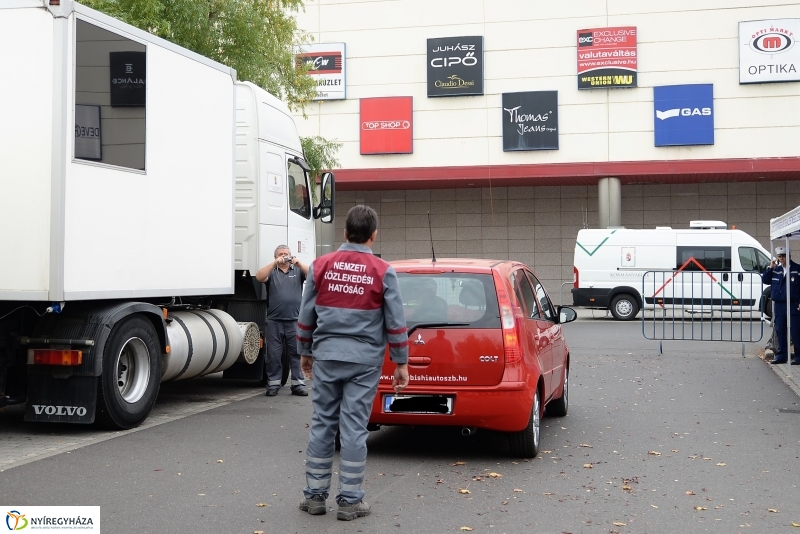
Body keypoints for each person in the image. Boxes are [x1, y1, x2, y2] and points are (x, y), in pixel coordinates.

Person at [296, 205, 409, 521]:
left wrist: (304, 351)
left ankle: (315, 497)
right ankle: (349, 501)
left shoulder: (320, 266)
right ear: (373, 236)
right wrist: (401, 362)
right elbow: (395, 321)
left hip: (327, 356)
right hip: (364, 361)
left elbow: (306, 315)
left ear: (345, 233)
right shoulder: (383, 271)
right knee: (354, 429)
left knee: (323, 423)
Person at [255, 245, 309, 396]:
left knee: (297, 354)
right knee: (273, 355)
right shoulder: (271, 271)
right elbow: (259, 277)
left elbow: (315, 275)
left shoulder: (298, 271)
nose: (284, 256)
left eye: (286, 254)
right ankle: (273, 385)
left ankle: (298, 384)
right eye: (281, 254)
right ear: (275, 257)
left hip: (295, 321)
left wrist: (299, 263)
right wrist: (274, 264)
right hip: (274, 321)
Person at [761, 246, 800, 365]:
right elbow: (765, 280)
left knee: (796, 331)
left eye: (783, 256)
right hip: (779, 305)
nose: (781, 258)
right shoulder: (775, 269)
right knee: (781, 330)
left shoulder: (797, 269)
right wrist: (770, 267)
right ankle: (781, 355)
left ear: (789, 256)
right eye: (779, 257)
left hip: (793, 304)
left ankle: (798, 356)